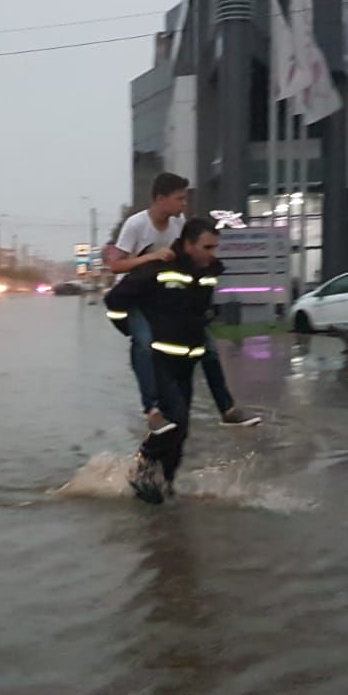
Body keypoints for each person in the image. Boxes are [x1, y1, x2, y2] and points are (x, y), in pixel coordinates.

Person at [105, 172, 260, 433]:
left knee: (206, 347)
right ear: (160, 198)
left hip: (166, 296)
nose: (184, 204)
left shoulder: (180, 224)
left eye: (185, 199)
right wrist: (150, 258)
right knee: (144, 344)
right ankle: (152, 411)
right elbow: (115, 266)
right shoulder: (137, 225)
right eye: (179, 199)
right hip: (137, 296)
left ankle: (227, 410)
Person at [105, 219, 225, 504]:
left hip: (187, 358)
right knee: (176, 417)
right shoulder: (155, 265)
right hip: (160, 358)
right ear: (188, 245)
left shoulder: (206, 273)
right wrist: (137, 331)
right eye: (207, 247)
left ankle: (166, 484)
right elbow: (115, 300)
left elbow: (197, 310)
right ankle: (142, 470)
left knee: (181, 430)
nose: (212, 253)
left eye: (215, 247)